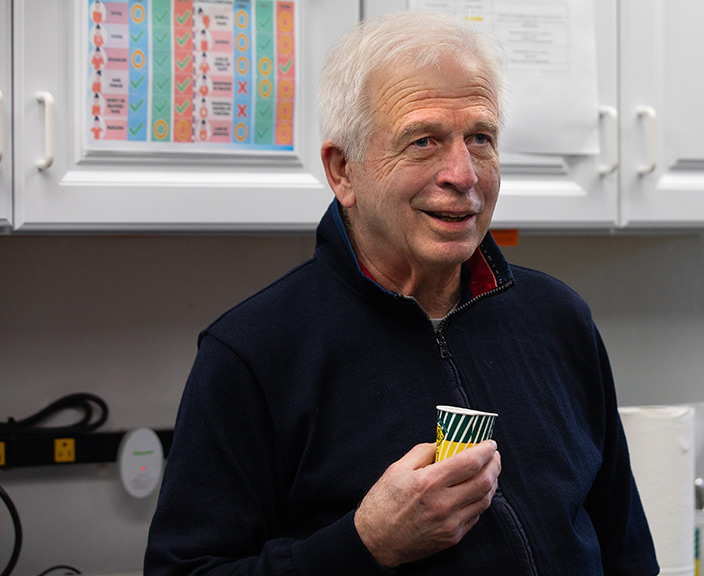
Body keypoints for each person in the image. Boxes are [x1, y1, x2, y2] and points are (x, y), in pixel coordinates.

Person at [145, 11, 658, 575]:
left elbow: (627, 554)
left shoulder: (559, 319)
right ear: (343, 171)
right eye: (424, 141)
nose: (463, 174)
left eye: (480, 138)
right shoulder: (252, 354)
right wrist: (363, 545)